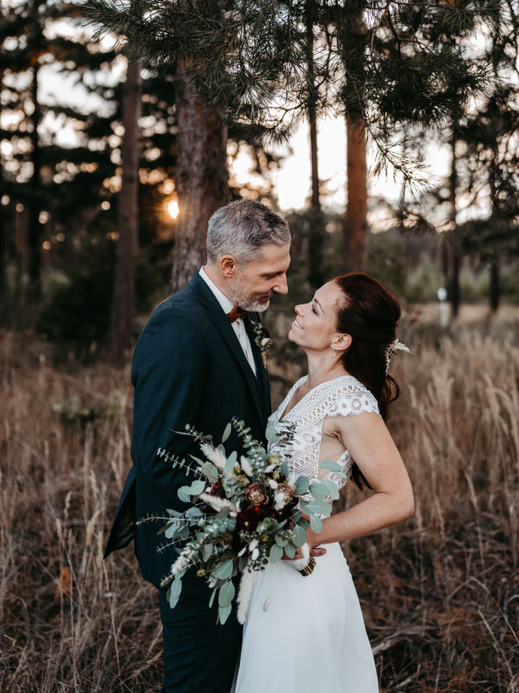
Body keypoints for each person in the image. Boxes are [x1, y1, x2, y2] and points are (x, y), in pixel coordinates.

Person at [103, 200, 293, 692]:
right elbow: (157, 457)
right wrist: (251, 505)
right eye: (272, 273)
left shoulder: (244, 312)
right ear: (228, 266)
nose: (283, 287)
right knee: (196, 681)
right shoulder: (178, 326)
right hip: (194, 550)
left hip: (236, 545)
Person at [233, 272, 414, 693]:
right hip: (268, 571)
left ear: (340, 341)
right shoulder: (303, 386)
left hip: (305, 575)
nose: (298, 307)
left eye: (314, 308)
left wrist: (313, 531)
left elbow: (399, 498)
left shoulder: (349, 400)